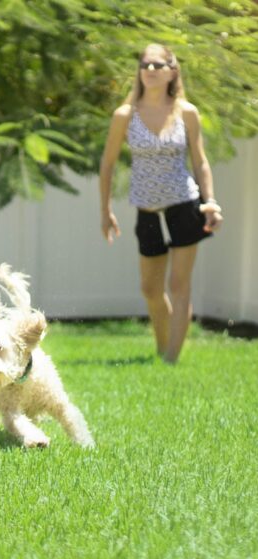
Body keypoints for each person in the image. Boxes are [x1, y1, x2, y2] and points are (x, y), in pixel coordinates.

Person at [99, 44, 223, 364]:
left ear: (172, 71)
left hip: (184, 204)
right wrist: (105, 211)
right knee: (151, 290)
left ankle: (171, 359)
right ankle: (162, 344)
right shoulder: (125, 115)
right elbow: (108, 164)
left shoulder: (187, 112)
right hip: (147, 209)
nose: (150, 70)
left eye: (158, 65)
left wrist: (210, 202)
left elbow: (200, 162)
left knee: (179, 285)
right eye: (145, 65)